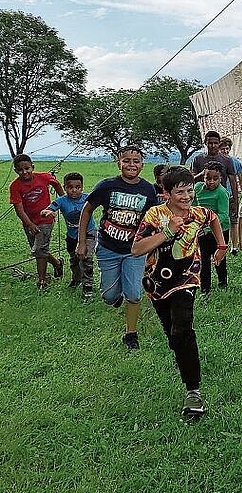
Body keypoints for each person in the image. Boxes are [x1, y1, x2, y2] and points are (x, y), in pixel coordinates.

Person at [132, 166, 227, 417]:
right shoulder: (155, 215)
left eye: (189, 191)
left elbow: (213, 218)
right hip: (157, 283)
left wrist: (221, 245)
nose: (186, 197)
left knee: (183, 327)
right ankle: (182, 353)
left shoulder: (198, 214)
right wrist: (168, 232)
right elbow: (137, 249)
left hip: (187, 278)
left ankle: (193, 392)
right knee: (173, 335)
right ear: (167, 193)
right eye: (180, 192)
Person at [77, 145, 158, 350]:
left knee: (134, 293)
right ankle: (116, 295)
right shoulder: (106, 186)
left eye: (136, 161)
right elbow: (87, 211)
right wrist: (81, 242)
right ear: (118, 163)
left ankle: (131, 334)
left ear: (142, 164)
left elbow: (153, 219)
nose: (131, 164)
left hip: (134, 250)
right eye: (126, 160)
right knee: (109, 296)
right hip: (108, 249)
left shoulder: (148, 190)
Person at [9, 154, 64, 290]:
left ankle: (42, 282)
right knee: (38, 250)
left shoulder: (43, 177)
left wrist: (63, 202)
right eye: (20, 170)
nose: (25, 172)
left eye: (27, 168)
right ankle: (57, 263)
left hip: (46, 219)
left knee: (39, 249)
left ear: (32, 167)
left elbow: (56, 183)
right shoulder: (15, 186)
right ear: (16, 171)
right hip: (29, 221)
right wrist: (29, 224)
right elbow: (19, 209)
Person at [39, 172, 97, 300]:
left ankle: (88, 287)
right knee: (74, 260)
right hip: (72, 236)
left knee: (86, 258)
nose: (74, 190)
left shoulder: (88, 199)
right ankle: (76, 279)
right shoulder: (62, 200)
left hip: (89, 233)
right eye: (70, 187)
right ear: (65, 188)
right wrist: (48, 213)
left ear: (82, 187)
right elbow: (46, 210)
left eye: (78, 187)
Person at [192, 162, 230, 294]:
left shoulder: (222, 193)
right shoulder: (197, 188)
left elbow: (223, 215)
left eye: (215, 179)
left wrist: (208, 227)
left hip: (220, 230)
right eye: (208, 178)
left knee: (219, 258)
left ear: (221, 179)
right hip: (202, 231)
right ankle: (205, 288)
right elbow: (194, 208)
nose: (211, 182)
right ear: (203, 177)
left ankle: (222, 281)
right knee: (203, 259)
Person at [190, 131, 239, 210]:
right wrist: (202, 174)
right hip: (202, 199)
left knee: (222, 218)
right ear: (205, 143)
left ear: (219, 143)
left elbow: (233, 181)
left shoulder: (227, 160)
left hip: (220, 198)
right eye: (210, 143)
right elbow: (191, 180)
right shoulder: (198, 159)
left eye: (215, 143)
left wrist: (236, 201)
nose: (213, 146)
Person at [219, 136, 242, 256]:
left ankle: (234, 246)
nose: (225, 151)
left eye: (227, 149)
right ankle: (221, 244)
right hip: (219, 196)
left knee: (234, 221)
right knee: (220, 221)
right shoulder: (217, 162)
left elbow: (240, 179)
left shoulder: (235, 162)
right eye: (223, 149)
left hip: (231, 195)